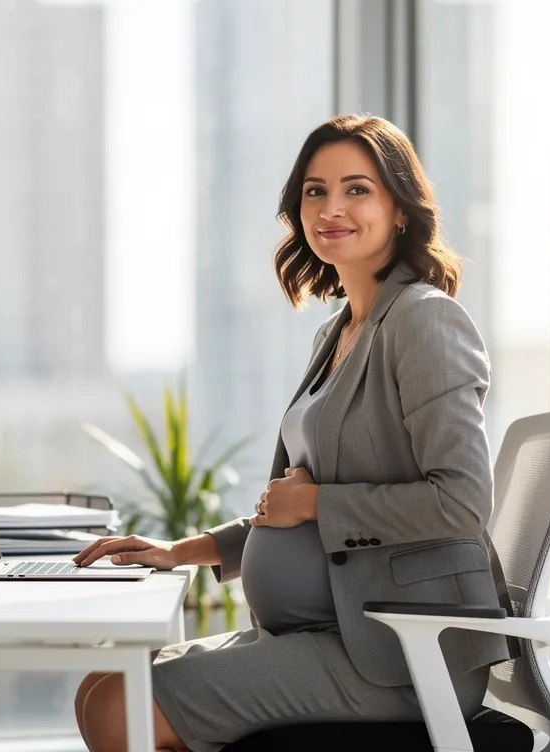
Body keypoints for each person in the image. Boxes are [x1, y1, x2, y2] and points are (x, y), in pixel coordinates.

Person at [70, 114, 513, 752]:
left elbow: (462, 502)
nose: (332, 207)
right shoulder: (337, 333)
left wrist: (313, 503)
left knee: (119, 708)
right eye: (315, 190)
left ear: (400, 211)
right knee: (101, 686)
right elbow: (296, 513)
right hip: (327, 628)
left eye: (357, 189)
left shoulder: (425, 322)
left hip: (395, 652)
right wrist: (179, 552)